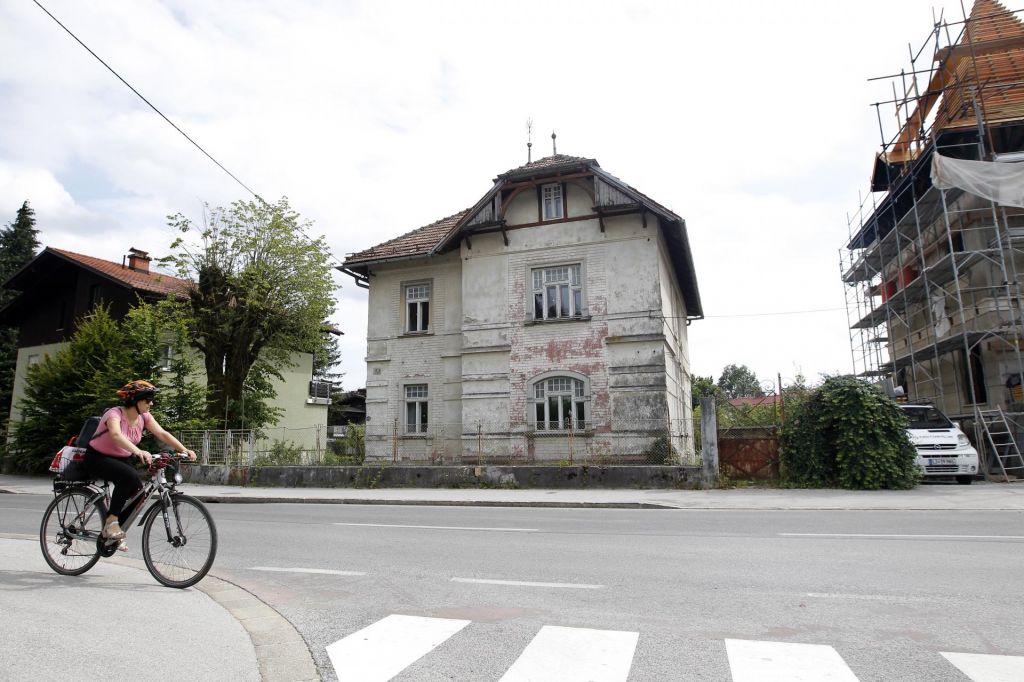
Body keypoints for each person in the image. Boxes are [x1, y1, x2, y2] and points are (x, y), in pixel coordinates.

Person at [84, 380, 197, 551]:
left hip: (121, 458)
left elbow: (162, 433)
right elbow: (115, 435)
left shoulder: (144, 417)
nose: (151, 403)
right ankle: (111, 523)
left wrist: (184, 449)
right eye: (147, 399)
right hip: (97, 457)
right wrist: (138, 451)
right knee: (127, 477)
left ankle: (115, 532)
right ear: (135, 400)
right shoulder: (114, 414)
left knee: (139, 494)